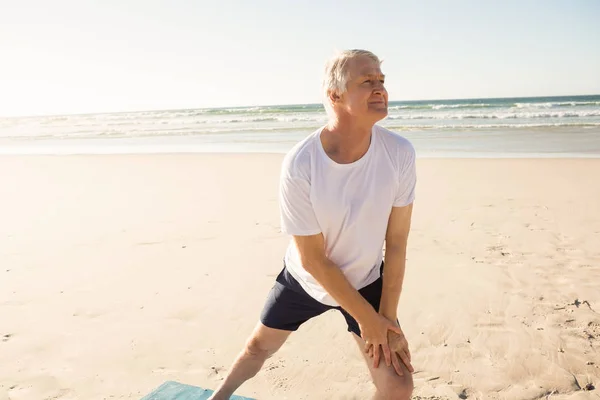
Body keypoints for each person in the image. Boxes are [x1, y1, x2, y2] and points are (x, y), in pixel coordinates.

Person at [209, 49, 417, 400]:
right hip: (307, 281)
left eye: (381, 80)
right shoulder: (301, 164)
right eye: (367, 81)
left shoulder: (400, 152)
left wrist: (388, 319)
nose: (380, 88)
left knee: (398, 386)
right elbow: (313, 259)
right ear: (334, 95)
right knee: (258, 348)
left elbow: (396, 242)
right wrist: (368, 320)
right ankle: (220, 395)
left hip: (367, 280)